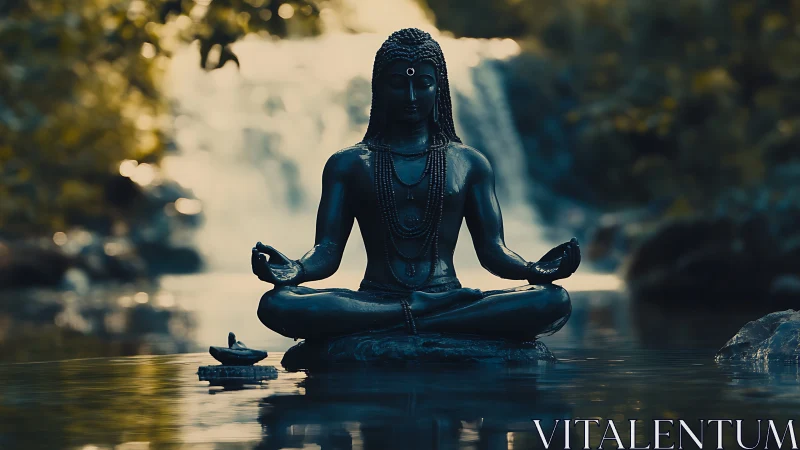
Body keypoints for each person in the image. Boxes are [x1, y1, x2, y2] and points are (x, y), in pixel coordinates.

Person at [252, 28, 579, 342]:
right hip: (375, 298)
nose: (411, 96)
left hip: (445, 294)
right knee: (276, 303)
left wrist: (533, 269)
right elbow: (327, 252)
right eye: (398, 84)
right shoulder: (348, 164)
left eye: (423, 84)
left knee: (552, 299)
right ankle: (429, 318)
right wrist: (295, 269)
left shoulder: (469, 163)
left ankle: (408, 318)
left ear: (439, 88)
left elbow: (493, 251)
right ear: (380, 88)